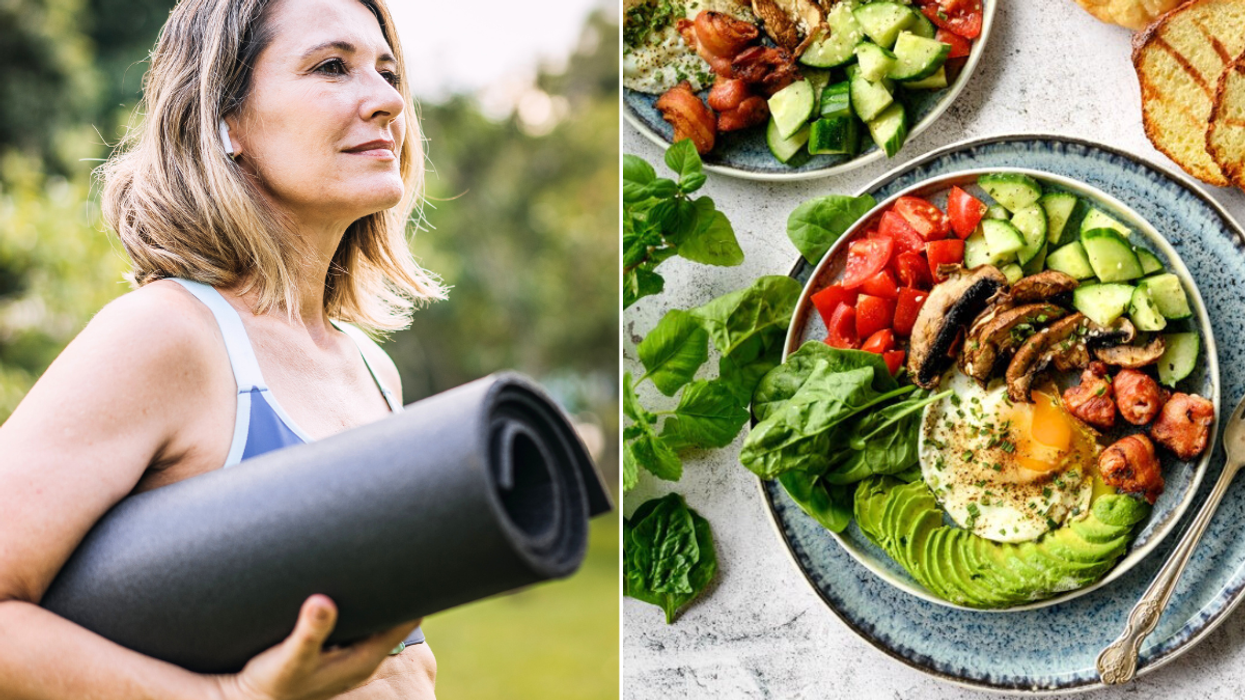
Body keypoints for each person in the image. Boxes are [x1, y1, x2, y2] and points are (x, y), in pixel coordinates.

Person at [0, 0, 446, 697]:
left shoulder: (368, 367)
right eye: (333, 67)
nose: (388, 100)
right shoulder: (166, 336)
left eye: (388, 72)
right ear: (225, 119)